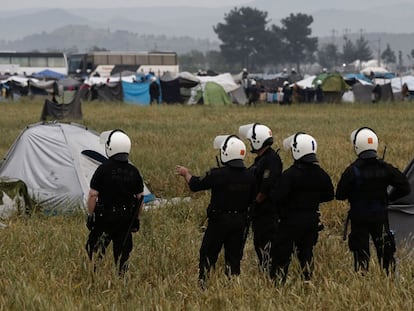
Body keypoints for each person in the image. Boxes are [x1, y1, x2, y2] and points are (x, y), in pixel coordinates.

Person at [175, 135, 256, 289]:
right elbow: (253, 200)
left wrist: (186, 173)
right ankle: (233, 287)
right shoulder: (250, 176)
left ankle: (203, 285)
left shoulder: (217, 174)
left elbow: (195, 184)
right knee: (233, 258)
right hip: (240, 222)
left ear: (226, 153)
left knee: (207, 254)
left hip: (219, 222)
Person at [336, 127, 410, 274]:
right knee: (386, 255)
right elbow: (405, 187)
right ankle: (388, 281)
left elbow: (339, 195)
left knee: (361, 256)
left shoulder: (352, 171)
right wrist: (389, 199)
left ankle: (363, 281)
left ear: (357, 146)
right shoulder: (385, 168)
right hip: (380, 216)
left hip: (359, 218)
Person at [270, 132, 334, 284]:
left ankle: (278, 285)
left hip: (289, 222)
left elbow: (276, 197)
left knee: (281, 256)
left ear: (297, 151)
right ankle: (307, 282)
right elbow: (330, 195)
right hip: (311, 220)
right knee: (306, 254)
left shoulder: (290, 174)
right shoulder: (321, 174)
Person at [85, 129, 144, 276]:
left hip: (105, 217)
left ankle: (95, 276)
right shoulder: (134, 171)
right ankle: (121, 278)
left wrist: (90, 214)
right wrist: (135, 218)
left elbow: (93, 195)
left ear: (110, 148)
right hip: (125, 219)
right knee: (122, 255)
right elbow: (140, 198)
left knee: (95, 250)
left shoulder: (102, 169)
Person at [239, 123, 283, 273]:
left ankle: (270, 272)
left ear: (258, 141)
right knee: (259, 242)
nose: (250, 143)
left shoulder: (271, 160)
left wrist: (254, 203)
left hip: (266, 212)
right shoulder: (262, 159)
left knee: (265, 242)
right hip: (260, 212)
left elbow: (266, 187)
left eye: (251, 140)